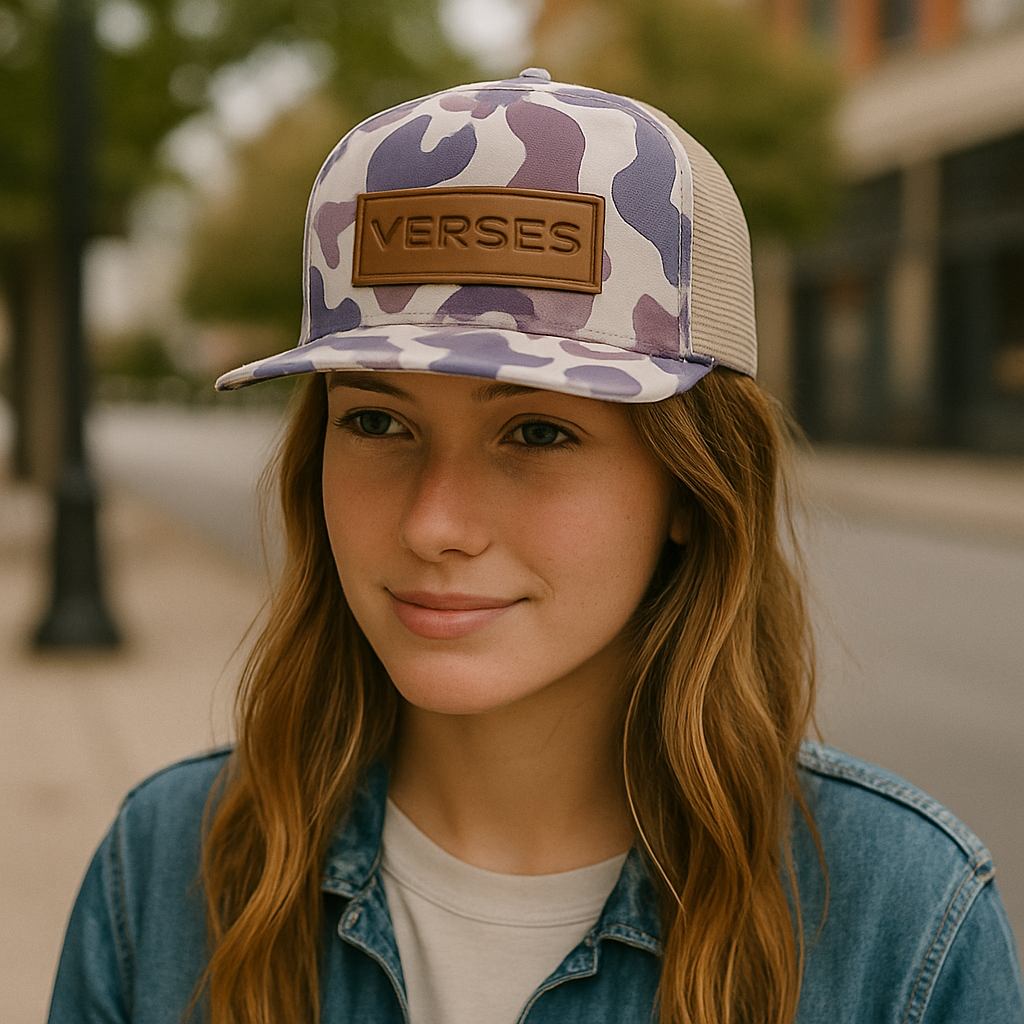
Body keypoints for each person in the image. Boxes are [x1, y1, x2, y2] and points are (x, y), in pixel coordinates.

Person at [48, 69, 1023, 1024]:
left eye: (539, 433)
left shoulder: (901, 923)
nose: (435, 522)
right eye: (379, 425)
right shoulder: (168, 866)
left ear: (691, 485)